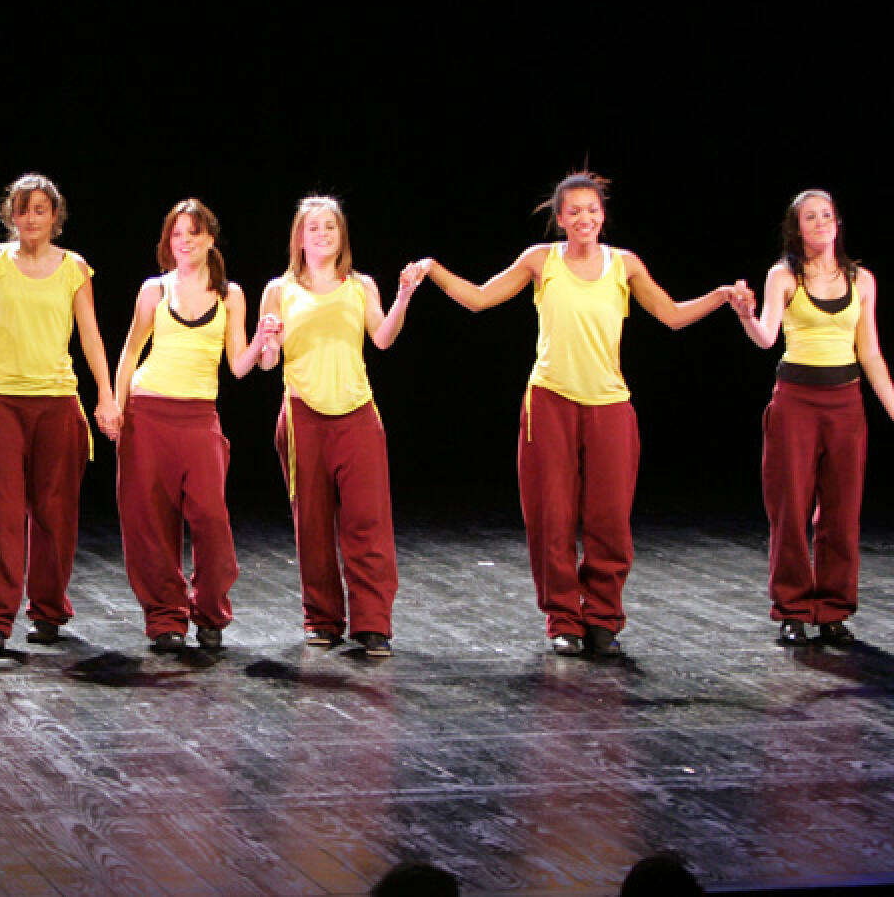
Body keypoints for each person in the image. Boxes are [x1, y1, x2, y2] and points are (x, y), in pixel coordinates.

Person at [417, 170, 739, 657]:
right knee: (552, 517)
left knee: (609, 518)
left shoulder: (624, 264)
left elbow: (671, 315)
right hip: (550, 401)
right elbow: (481, 299)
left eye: (592, 209)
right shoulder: (541, 260)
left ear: (602, 215)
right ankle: (564, 618)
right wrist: (433, 270)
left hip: (610, 405)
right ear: (560, 218)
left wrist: (722, 297)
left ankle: (603, 616)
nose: (585, 218)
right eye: (575, 211)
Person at [0, 173, 121, 654]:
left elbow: (90, 335)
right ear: (11, 216)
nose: (31, 218)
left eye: (40, 209)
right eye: (22, 210)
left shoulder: (74, 267)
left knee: (55, 513)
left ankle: (48, 610)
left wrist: (106, 394)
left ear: (55, 216)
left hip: (57, 402)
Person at [111, 199, 279, 651]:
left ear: (210, 239)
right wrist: (114, 404)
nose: (184, 241)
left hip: (199, 417)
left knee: (210, 518)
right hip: (147, 414)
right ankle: (165, 617)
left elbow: (239, 365)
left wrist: (263, 341)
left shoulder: (231, 295)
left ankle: (209, 611)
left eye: (193, 233)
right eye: (177, 234)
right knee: (149, 522)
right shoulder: (154, 290)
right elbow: (130, 352)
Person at [731, 189, 893, 647]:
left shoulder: (862, 280)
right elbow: (766, 337)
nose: (820, 223)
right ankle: (793, 609)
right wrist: (745, 315)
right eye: (810, 217)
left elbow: (870, 353)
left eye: (826, 215)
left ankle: (834, 610)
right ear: (796, 228)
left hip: (846, 404)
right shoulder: (783, 276)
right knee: (790, 507)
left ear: (838, 223)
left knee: (842, 511)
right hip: (796, 403)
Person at [259, 195, 420, 656]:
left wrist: (404, 296)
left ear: (341, 235)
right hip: (303, 417)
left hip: (356, 413)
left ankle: (373, 622)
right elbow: (268, 362)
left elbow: (382, 338)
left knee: (368, 521)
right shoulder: (280, 290)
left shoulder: (360, 285)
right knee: (312, 525)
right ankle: (322, 618)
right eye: (313, 227)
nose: (322, 234)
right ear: (299, 237)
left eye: (330, 227)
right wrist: (269, 342)